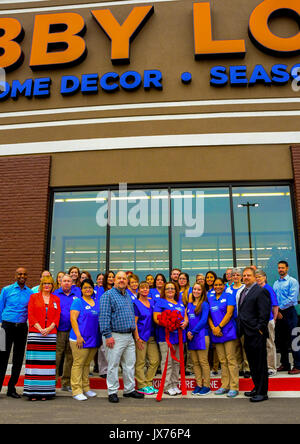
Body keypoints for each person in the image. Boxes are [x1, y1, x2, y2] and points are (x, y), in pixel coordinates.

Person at [99, 271, 144, 403]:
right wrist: (107, 335)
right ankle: (112, 391)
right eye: (119, 278)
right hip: (114, 336)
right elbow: (104, 317)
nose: (121, 280)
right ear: (114, 281)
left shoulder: (127, 296)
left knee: (129, 364)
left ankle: (129, 389)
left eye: (124, 278)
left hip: (128, 336)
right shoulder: (108, 296)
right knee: (113, 365)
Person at [23, 276, 61, 401]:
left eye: (49, 283)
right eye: (45, 283)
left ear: (52, 285)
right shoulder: (33, 297)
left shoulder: (56, 299)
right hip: (36, 333)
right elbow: (31, 314)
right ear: (41, 284)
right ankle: (32, 392)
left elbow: (57, 316)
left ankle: (45, 391)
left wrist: (49, 329)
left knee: (47, 364)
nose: (47, 286)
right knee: (35, 363)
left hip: (50, 335)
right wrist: (40, 328)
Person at [237, 267, 271, 402]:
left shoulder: (261, 291)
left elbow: (264, 314)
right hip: (247, 333)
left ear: (254, 277)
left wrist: (259, 330)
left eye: (248, 275)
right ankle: (257, 387)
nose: (245, 277)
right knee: (252, 363)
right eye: (244, 275)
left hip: (257, 334)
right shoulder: (243, 291)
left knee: (260, 364)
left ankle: (262, 392)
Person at [0, 267, 33, 398]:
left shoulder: (30, 293)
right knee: (2, 357)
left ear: (27, 277)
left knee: (18, 359)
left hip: (22, 328)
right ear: (15, 276)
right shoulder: (6, 290)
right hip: (6, 327)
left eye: (25, 274)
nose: (22, 276)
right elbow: (0, 307)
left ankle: (11, 388)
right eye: (20, 274)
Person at [153, 281, 187, 396]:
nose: (170, 290)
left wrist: (185, 322)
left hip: (179, 337)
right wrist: (169, 324)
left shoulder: (180, 303)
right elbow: (156, 318)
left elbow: (185, 316)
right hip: (166, 336)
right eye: (168, 288)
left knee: (177, 362)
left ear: (176, 290)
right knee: (167, 362)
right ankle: (166, 386)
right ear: (164, 290)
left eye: (172, 288)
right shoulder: (160, 302)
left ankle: (174, 384)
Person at [69, 278, 101, 401]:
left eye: (90, 287)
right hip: (80, 338)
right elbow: (73, 319)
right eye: (85, 287)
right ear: (81, 290)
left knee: (87, 364)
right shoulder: (78, 302)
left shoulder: (96, 301)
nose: (88, 289)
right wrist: (78, 335)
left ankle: (86, 387)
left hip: (93, 339)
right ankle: (76, 390)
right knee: (78, 364)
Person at [208, 277, 239, 398]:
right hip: (216, 333)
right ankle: (224, 385)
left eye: (220, 284)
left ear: (224, 285)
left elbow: (229, 313)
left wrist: (219, 327)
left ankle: (234, 387)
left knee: (231, 360)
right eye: (216, 285)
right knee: (222, 361)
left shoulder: (229, 296)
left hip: (228, 332)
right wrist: (213, 328)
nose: (218, 287)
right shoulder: (210, 298)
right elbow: (209, 316)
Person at [273, 261, 300, 374]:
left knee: (295, 340)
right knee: (281, 340)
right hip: (279, 315)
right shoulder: (276, 283)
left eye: (283, 268)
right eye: (279, 268)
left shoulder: (292, 281)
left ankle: (298, 365)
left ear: (287, 268)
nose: (281, 270)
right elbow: (274, 299)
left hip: (290, 313)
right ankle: (285, 364)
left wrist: (279, 308)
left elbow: (292, 299)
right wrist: (276, 311)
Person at [53, 274, 79, 391]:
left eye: (69, 281)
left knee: (70, 357)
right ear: (60, 282)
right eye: (65, 281)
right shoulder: (55, 294)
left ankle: (66, 382)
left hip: (73, 330)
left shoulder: (77, 294)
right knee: (57, 355)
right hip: (59, 330)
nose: (67, 283)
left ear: (72, 283)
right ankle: (51, 381)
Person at [133, 281, 160, 395]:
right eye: (142, 288)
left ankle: (148, 383)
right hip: (141, 337)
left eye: (147, 288)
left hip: (152, 336)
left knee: (155, 361)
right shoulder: (136, 303)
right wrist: (137, 338)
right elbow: (134, 323)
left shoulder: (152, 302)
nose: (145, 290)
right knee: (140, 362)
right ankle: (141, 385)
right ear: (138, 290)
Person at [186, 283, 211, 395]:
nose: (196, 291)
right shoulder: (189, 305)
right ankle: (198, 384)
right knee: (195, 362)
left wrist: (193, 332)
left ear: (202, 291)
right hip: (191, 337)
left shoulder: (204, 304)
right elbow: (187, 320)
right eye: (194, 289)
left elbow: (203, 320)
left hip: (201, 335)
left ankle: (206, 385)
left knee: (203, 361)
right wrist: (188, 332)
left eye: (198, 289)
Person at [226, 268, 250, 378]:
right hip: (232, 322)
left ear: (241, 276)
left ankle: (247, 368)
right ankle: (239, 367)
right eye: (233, 275)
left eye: (237, 275)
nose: (235, 277)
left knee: (245, 345)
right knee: (235, 346)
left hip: (243, 321)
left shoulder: (245, 288)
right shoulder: (228, 290)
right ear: (231, 277)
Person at [256, 269, 279, 377]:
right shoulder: (256, 289)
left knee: (270, 344)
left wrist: (273, 320)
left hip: (268, 321)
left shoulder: (268, 289)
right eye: (256, 277)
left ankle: (271, 368)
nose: (258, 279)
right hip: (259, 322)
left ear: (264, 277)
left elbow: (275, 305)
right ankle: (263, 366)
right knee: (261, 345)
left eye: (260, 277)